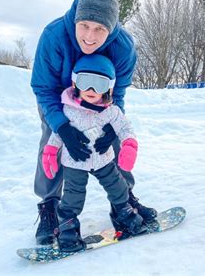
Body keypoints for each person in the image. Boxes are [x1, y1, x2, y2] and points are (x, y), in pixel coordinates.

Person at [31, 0, 157, 245]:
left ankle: (124, 199)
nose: (90, 36)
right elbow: (43, 88)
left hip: (101, 100)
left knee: (114, 136)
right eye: (85, 25)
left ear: (111, 29)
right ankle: (50, 205)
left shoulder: (123, 47)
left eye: (100, 29)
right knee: (52, 142)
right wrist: (62, 126)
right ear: (76, 19)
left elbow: (118, 91)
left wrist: (113, 121)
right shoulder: (54, 36)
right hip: (57, 99)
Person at [42, 54, 147, 252]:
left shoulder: (112, 111)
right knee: (72, 195)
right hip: (75, 162)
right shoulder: (67, 110)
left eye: (99, 84)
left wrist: (129, 145)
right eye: (85, 82)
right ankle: (67, 226)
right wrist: (50, 152)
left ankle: (122, 212)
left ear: (109, 88)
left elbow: (125, 128)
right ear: (75, 82)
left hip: (104, 160)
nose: (91, 90)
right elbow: (57, 134)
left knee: (118, 186)